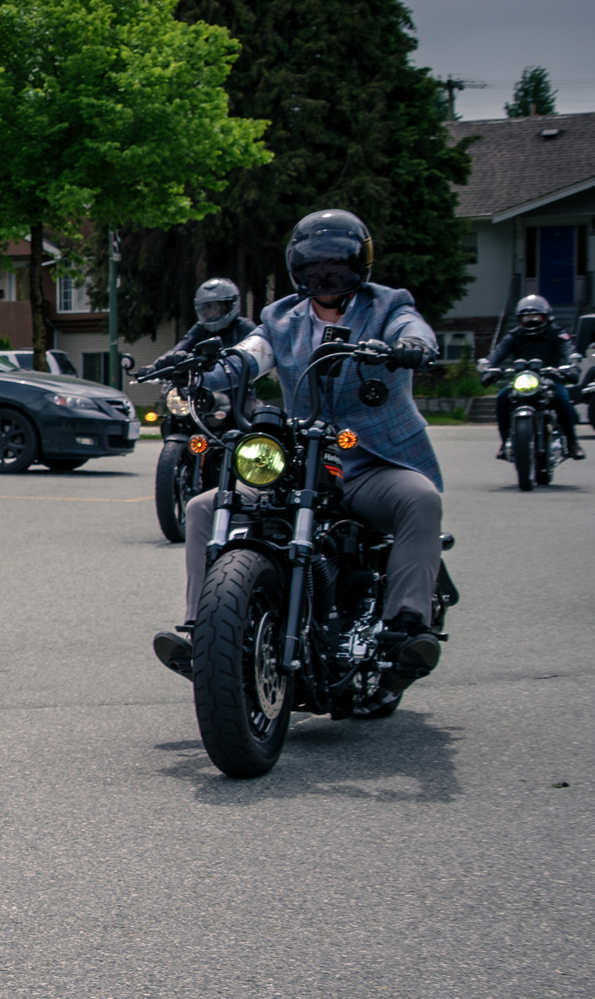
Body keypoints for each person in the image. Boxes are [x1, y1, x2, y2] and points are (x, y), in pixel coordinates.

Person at [151, 209, 446, 714]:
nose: (324, 275)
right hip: (303, 460)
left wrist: (413, 346)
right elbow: (248, 356)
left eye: (336, 264)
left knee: (420, 500)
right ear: (296, 268)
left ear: (359, 264)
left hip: (372, 462)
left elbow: (412, 327)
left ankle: (405, 630)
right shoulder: (281, 319)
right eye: (313, 265)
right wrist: (194, 370)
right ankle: (204, 634)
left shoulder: (387, 306)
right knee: (202, 508)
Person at [482, 293, 585, 460]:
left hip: (551, 378)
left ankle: (572, 442)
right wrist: (489, 368)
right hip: (523, 379)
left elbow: (568, 349)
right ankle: (505, 441)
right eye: (526, 318)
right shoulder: (514, 335)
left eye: (536, 317)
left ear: (546, 317)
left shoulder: (556, 333)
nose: (531, 321)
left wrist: (572, 367)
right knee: (502, 398)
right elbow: (499, 352)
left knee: (562, 399)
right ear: (520, 319)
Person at [142, 277, 258, 418]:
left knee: (248, 420)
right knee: (174, 420)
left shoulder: (244, 328)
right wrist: (155, 367)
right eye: (206, 308)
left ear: (230, 305)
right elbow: (181, 347)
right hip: (203, 390)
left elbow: (254, 354)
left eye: (215, 307)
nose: (211, 313)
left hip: (238, 393)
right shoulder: (200, 329)